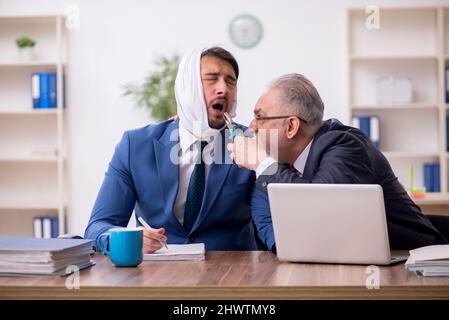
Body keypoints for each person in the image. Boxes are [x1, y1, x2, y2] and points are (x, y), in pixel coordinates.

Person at [228, 73, 448, 252]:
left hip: (413, 264)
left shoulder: (345, 146)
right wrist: (290, 246)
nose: (252, 126)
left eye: (260, 118)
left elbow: (321, 209)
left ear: (291, 126)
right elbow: (266, 221)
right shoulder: (276, 164)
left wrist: (261, 163)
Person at [85, 47, 257, 252]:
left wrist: (264, 162)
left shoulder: (253, 145)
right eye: (211, 78)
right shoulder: (135, 145)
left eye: (231, 81)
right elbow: (98, 227)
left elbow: (273, 225)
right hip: (156, 275)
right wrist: (126, 238)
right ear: (187, 88)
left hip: (231, 275)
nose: (223, 89)